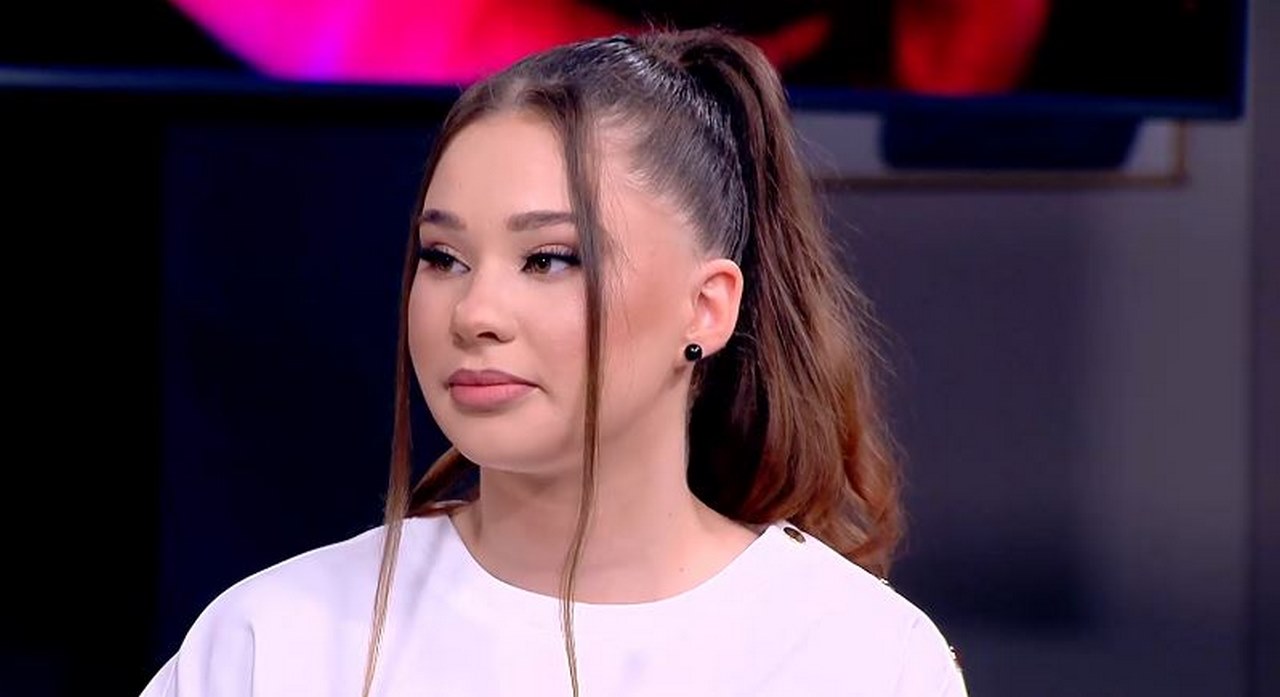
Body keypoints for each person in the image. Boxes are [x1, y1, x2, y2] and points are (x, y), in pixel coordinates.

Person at [141, 28, 968, 697]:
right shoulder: (274, 640)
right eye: (443, 257)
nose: (475, 313)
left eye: (549, 259)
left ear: (708, 306)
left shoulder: (857, 656)